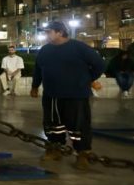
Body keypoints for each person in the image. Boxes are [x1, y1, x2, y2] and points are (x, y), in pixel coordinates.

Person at [30, 20, 106, 170]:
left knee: (78, 126)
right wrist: (35, 86)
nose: (46, 35)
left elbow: (99, 64)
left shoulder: (79, 48)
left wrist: (88, 79)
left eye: (49, 32)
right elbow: (38, 69)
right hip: (52, 96)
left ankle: (82, 154)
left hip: (76, 96)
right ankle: (55, 149)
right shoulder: (45, 50)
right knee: (53, 125)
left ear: (60, 32)